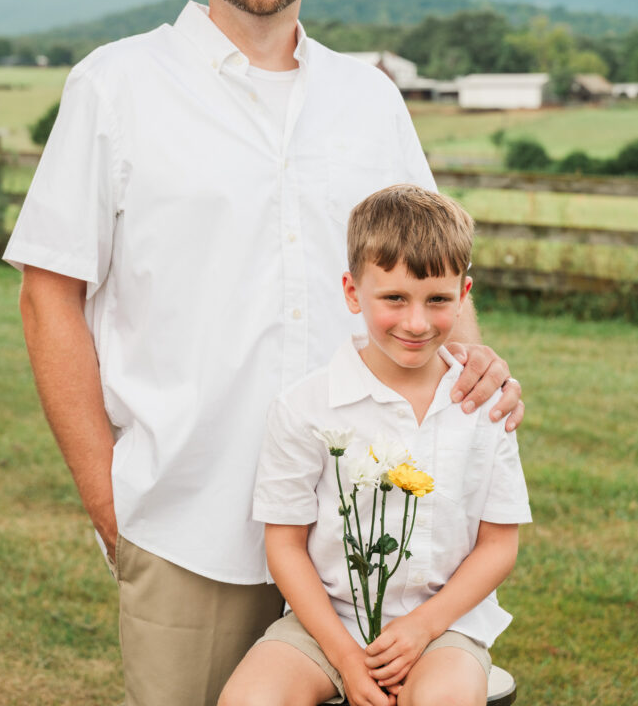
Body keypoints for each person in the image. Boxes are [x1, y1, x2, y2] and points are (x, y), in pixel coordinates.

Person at [4, 0, 524, 706]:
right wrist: (111, 501)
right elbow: (47, 294)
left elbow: (433, 274)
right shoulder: (116, 85)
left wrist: (474, 371)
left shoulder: (369, 99)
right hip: (187, 513)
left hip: (375, 520)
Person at [221, 184, 531, 706]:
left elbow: (499, 545)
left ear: (464, 293)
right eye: (394, 298)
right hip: (325, 627)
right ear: (351, 291)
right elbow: (285, 546)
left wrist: (420, 628)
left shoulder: (483, 404)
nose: (416, 322)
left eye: (438, 300)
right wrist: (344, 655)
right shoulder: (305, 408)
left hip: (443, 629)